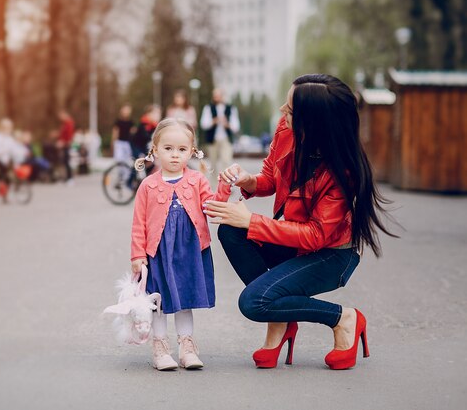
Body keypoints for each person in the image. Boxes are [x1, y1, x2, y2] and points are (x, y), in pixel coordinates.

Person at [204, 74, 397, 370]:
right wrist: (249, 181)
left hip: (331, 255)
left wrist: (252, 220)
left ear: (315, 121)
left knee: (253, 302)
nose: (283, 110)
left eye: (291, 110)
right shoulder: (287, 131)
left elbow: (316, 236)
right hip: (294, 244)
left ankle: (344, 318)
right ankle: (280, 319)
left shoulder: (342, 172)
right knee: (231, 230)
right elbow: (271, 178)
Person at [131, 118, 232, 371]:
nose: (175, 155)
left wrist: (224, 188)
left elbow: (211, 209)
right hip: (158, 252)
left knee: (184, 299)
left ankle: (187, 347)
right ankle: (160, 348)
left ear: (192, 150)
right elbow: (139, 223)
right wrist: (137, 255)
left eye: (182, 149)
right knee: (160, 301)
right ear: (154, 149)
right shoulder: (148, 185)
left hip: (189, 251)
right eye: (168, 148)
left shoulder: (197, 180)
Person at [199, 88, 240, 173]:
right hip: (212, 139)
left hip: (226, 138)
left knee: (226, 162)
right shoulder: (208, 108)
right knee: (213, 164)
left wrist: (227, 124)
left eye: (218, 95)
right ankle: (214, 185)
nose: (216, 97)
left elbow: (236, 127)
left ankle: (225, 184)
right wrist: (213, 121)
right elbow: (203, 124)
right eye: (215, 95)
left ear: (223, 96)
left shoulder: (231, 108)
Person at [57, 109, 76, 185]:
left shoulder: (69, 123)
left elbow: (69, 136)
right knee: (64, 161)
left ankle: (70, 178)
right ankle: (66, 178)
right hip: (64, 144)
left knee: (67, 161)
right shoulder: (64, 124)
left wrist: (64, 143)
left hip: (66, 145)